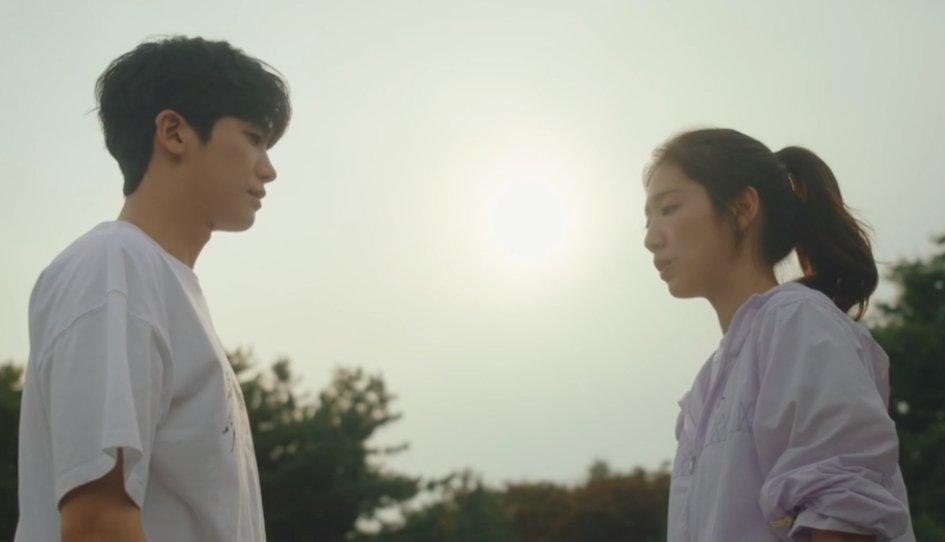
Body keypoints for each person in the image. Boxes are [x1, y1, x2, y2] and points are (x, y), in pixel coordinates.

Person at [15, 36, 291, 542]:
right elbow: (97, 520)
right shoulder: (115, 269)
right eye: (254, 137)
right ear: (173, 131)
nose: (268, 168)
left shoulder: (157, 283)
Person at [642, 128, 915, 541]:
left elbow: (844, 509)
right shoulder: (703, 392)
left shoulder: (797, 322)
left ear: (743, 207)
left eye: (669, 208)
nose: (650, 238)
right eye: (648, 219)